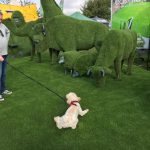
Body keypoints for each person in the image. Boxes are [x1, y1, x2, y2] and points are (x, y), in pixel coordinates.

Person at [0, 11, 12, 101]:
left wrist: (6, 41)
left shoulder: (3, 26)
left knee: (3, 74)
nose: (0, 20)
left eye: (1, 18)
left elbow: (8, 32)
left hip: (5, 54)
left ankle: (3, 90)